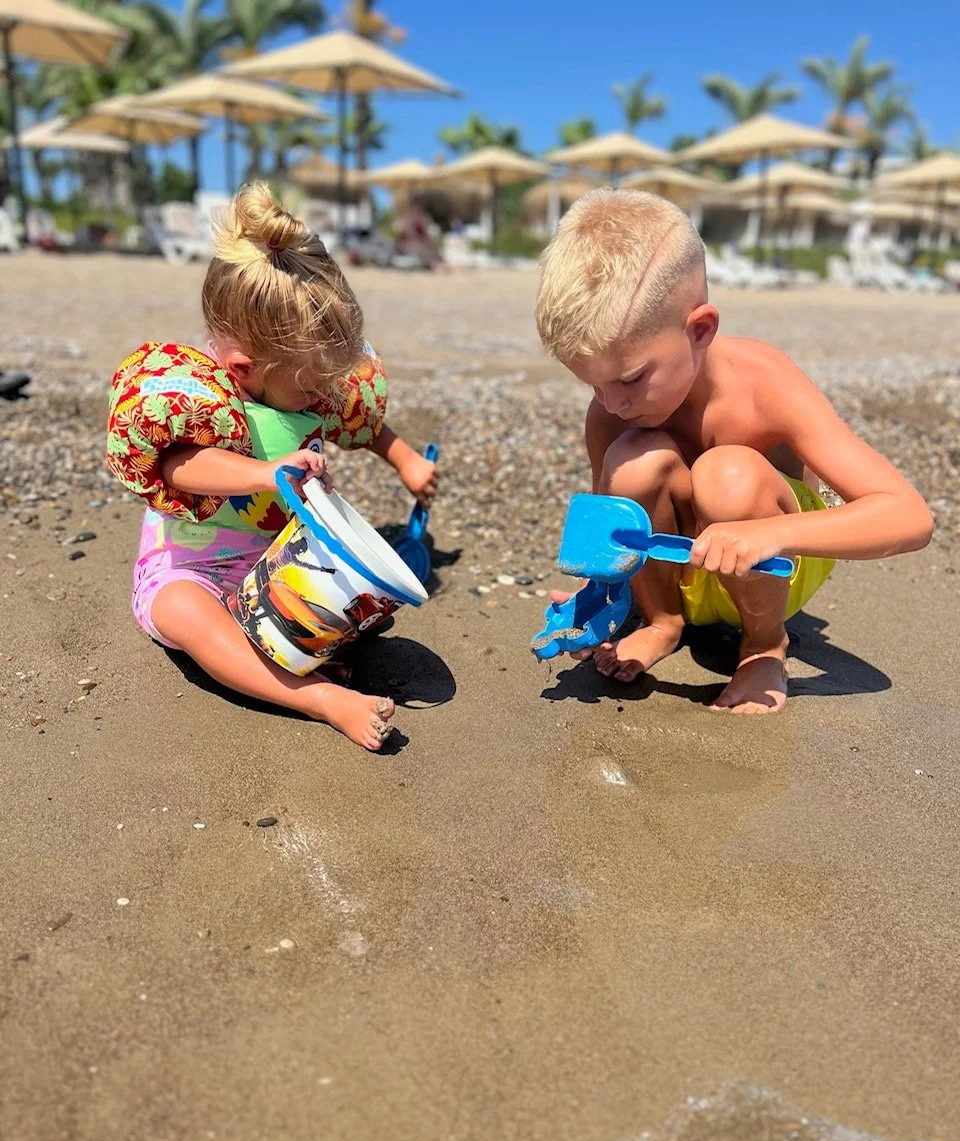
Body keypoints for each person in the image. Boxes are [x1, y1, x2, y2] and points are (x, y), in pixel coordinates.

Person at [535, 189, 932, 714]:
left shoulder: (765, 385)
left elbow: (910, 518)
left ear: (699, 330)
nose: (611, 402)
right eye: (592, 385)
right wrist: (602, 595)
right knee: (633, 461)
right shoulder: (611, 411)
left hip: (774, 564)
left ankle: (764, 647)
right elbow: (612, 524)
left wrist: (768, 534)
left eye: (630, 379)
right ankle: (662, 622)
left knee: (729, 474)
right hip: (680, 568)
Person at [105, 183, 439, 751]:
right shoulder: (205, 397)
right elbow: (182, 465)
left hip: (276, 563)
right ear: (241, 369)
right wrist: (262, 472)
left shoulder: (309, 388)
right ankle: (312, 696)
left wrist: (405, 459)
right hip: (194, 565)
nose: (322, 400)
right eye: (312, 387)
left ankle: (297, 642)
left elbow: (362, 426)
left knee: (353, 604)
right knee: (184, 616)